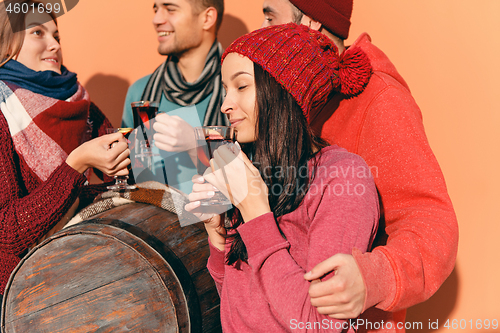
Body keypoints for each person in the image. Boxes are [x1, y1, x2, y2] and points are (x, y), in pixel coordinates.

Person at [261, 0, 459, 328]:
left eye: (270, 18)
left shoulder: (381, 101)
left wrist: (372, 279)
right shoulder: (283, 100)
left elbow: (433, 223)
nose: (261, 33)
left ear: (311, 25)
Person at [186, 23, 379, 332]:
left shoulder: (341, 176)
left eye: (242, 86)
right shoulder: (254, 170)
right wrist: (217, 236)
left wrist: (255, 212)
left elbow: (320, 324)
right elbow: (241, 310)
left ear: (282, 90)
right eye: (225, 89)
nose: (225, 105)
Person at [0, 0, 130, 300]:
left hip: (83, 277)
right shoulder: (3, 112)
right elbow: (6, 234)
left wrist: (142, 152)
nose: (54, 45)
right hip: (24, 296)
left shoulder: (79, 103)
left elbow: (123, 185)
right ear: (8, 46)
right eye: (37, 33)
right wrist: (75, 166)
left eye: (56, 36)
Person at [121, 0, 228, 194]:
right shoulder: (140, 93)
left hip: (218, 220)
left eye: (170, 9)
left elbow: (254, 176)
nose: (156, 19)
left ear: (207, 18)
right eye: (156, 10)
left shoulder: (237, 91)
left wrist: (196, 145)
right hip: (150, 218)